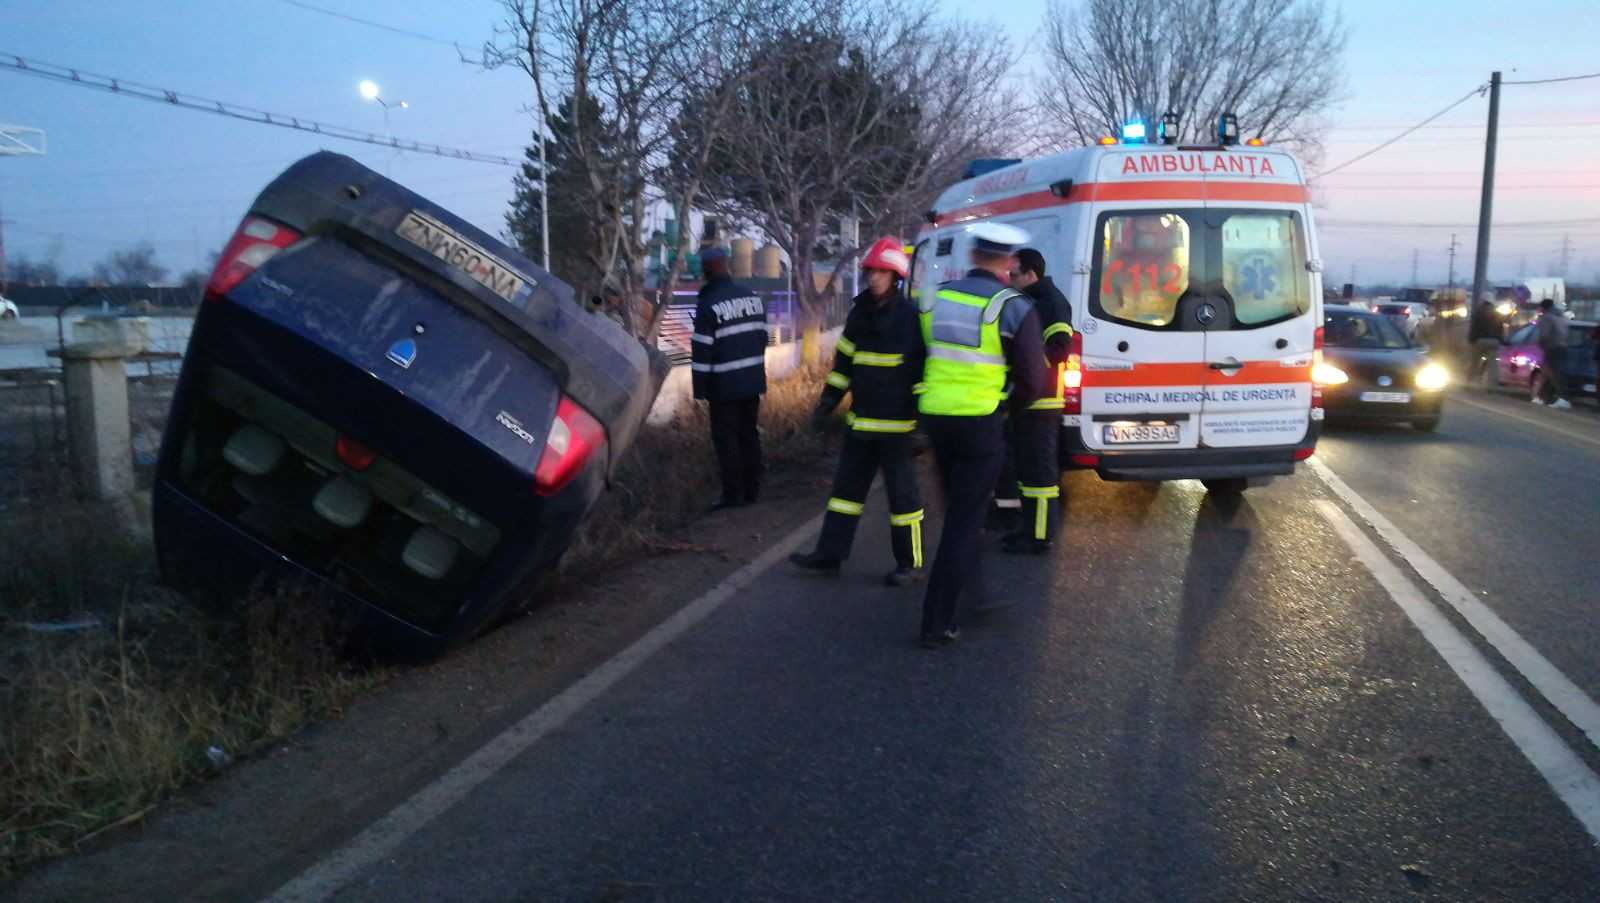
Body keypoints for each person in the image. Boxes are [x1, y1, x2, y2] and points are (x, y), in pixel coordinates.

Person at [916, 222, 1045, 649]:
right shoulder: (1014, 306)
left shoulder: (934, 300)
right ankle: (938, 621)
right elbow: (1032, 377)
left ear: (972, 257)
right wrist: (1009, 408)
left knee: (959, 511)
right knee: (964, 522)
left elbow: (916, 359)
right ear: (1009, 263)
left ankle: (978, 592)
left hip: (937, 419)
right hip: (980, 424)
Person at [789, 237, 927, 586]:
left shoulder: (910, 318)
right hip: (861, 424)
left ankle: (909, 564)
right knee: (845, 495)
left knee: (904, 499)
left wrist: (921, 426)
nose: (875, 278)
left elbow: (922, 376)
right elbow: (842, 366)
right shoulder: (859, 313)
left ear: (895, 276)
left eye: (882, 272)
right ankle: (829, 555)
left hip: (898, 429)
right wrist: (826, 405)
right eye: (871, 271)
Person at [1002, 247, 1072, 554]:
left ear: (1031, 274)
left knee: (1041, 474)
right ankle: (1028, 528)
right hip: (1024, 399)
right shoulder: (1029, 301)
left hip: (1043, 402)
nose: (1010, 279)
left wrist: (1028, 367)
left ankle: (1040, 536)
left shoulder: (1052, 303)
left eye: (1014, 274)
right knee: (1027, 472)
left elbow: (1060, 347)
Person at [691, 245, 768, 508]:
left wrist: (700, 391)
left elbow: (702, 355)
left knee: (727, 440)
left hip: (724, 387)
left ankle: (733, 495)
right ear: (727, 267)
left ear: (707, 271)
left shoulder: (708, 305)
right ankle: (752, 491)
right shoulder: (752, 297)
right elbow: (762, 337)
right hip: (752, 382)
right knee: (749, 434)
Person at [1532, 297, 1572, 409]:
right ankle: (1542, 397)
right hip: (1563, 346)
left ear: (1543, 308)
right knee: (1551, 373)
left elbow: (1544, 334)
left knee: (1554, 373)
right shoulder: (1561, 317)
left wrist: (1540, 345)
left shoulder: (1548, 317)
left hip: (1552, 347)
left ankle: (1564, 398)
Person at [1467, 293, 1501, 386]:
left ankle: (1469, 381)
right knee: (1493, 364)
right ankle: (1492, 384)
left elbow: (1473, 327)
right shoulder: (1496, 313)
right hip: (1494, 341)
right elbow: (1500, 328)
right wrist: (1499, 339)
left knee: (1474, 361)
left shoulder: (1478, 312)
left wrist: (1471, 339)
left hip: (1480, 340)